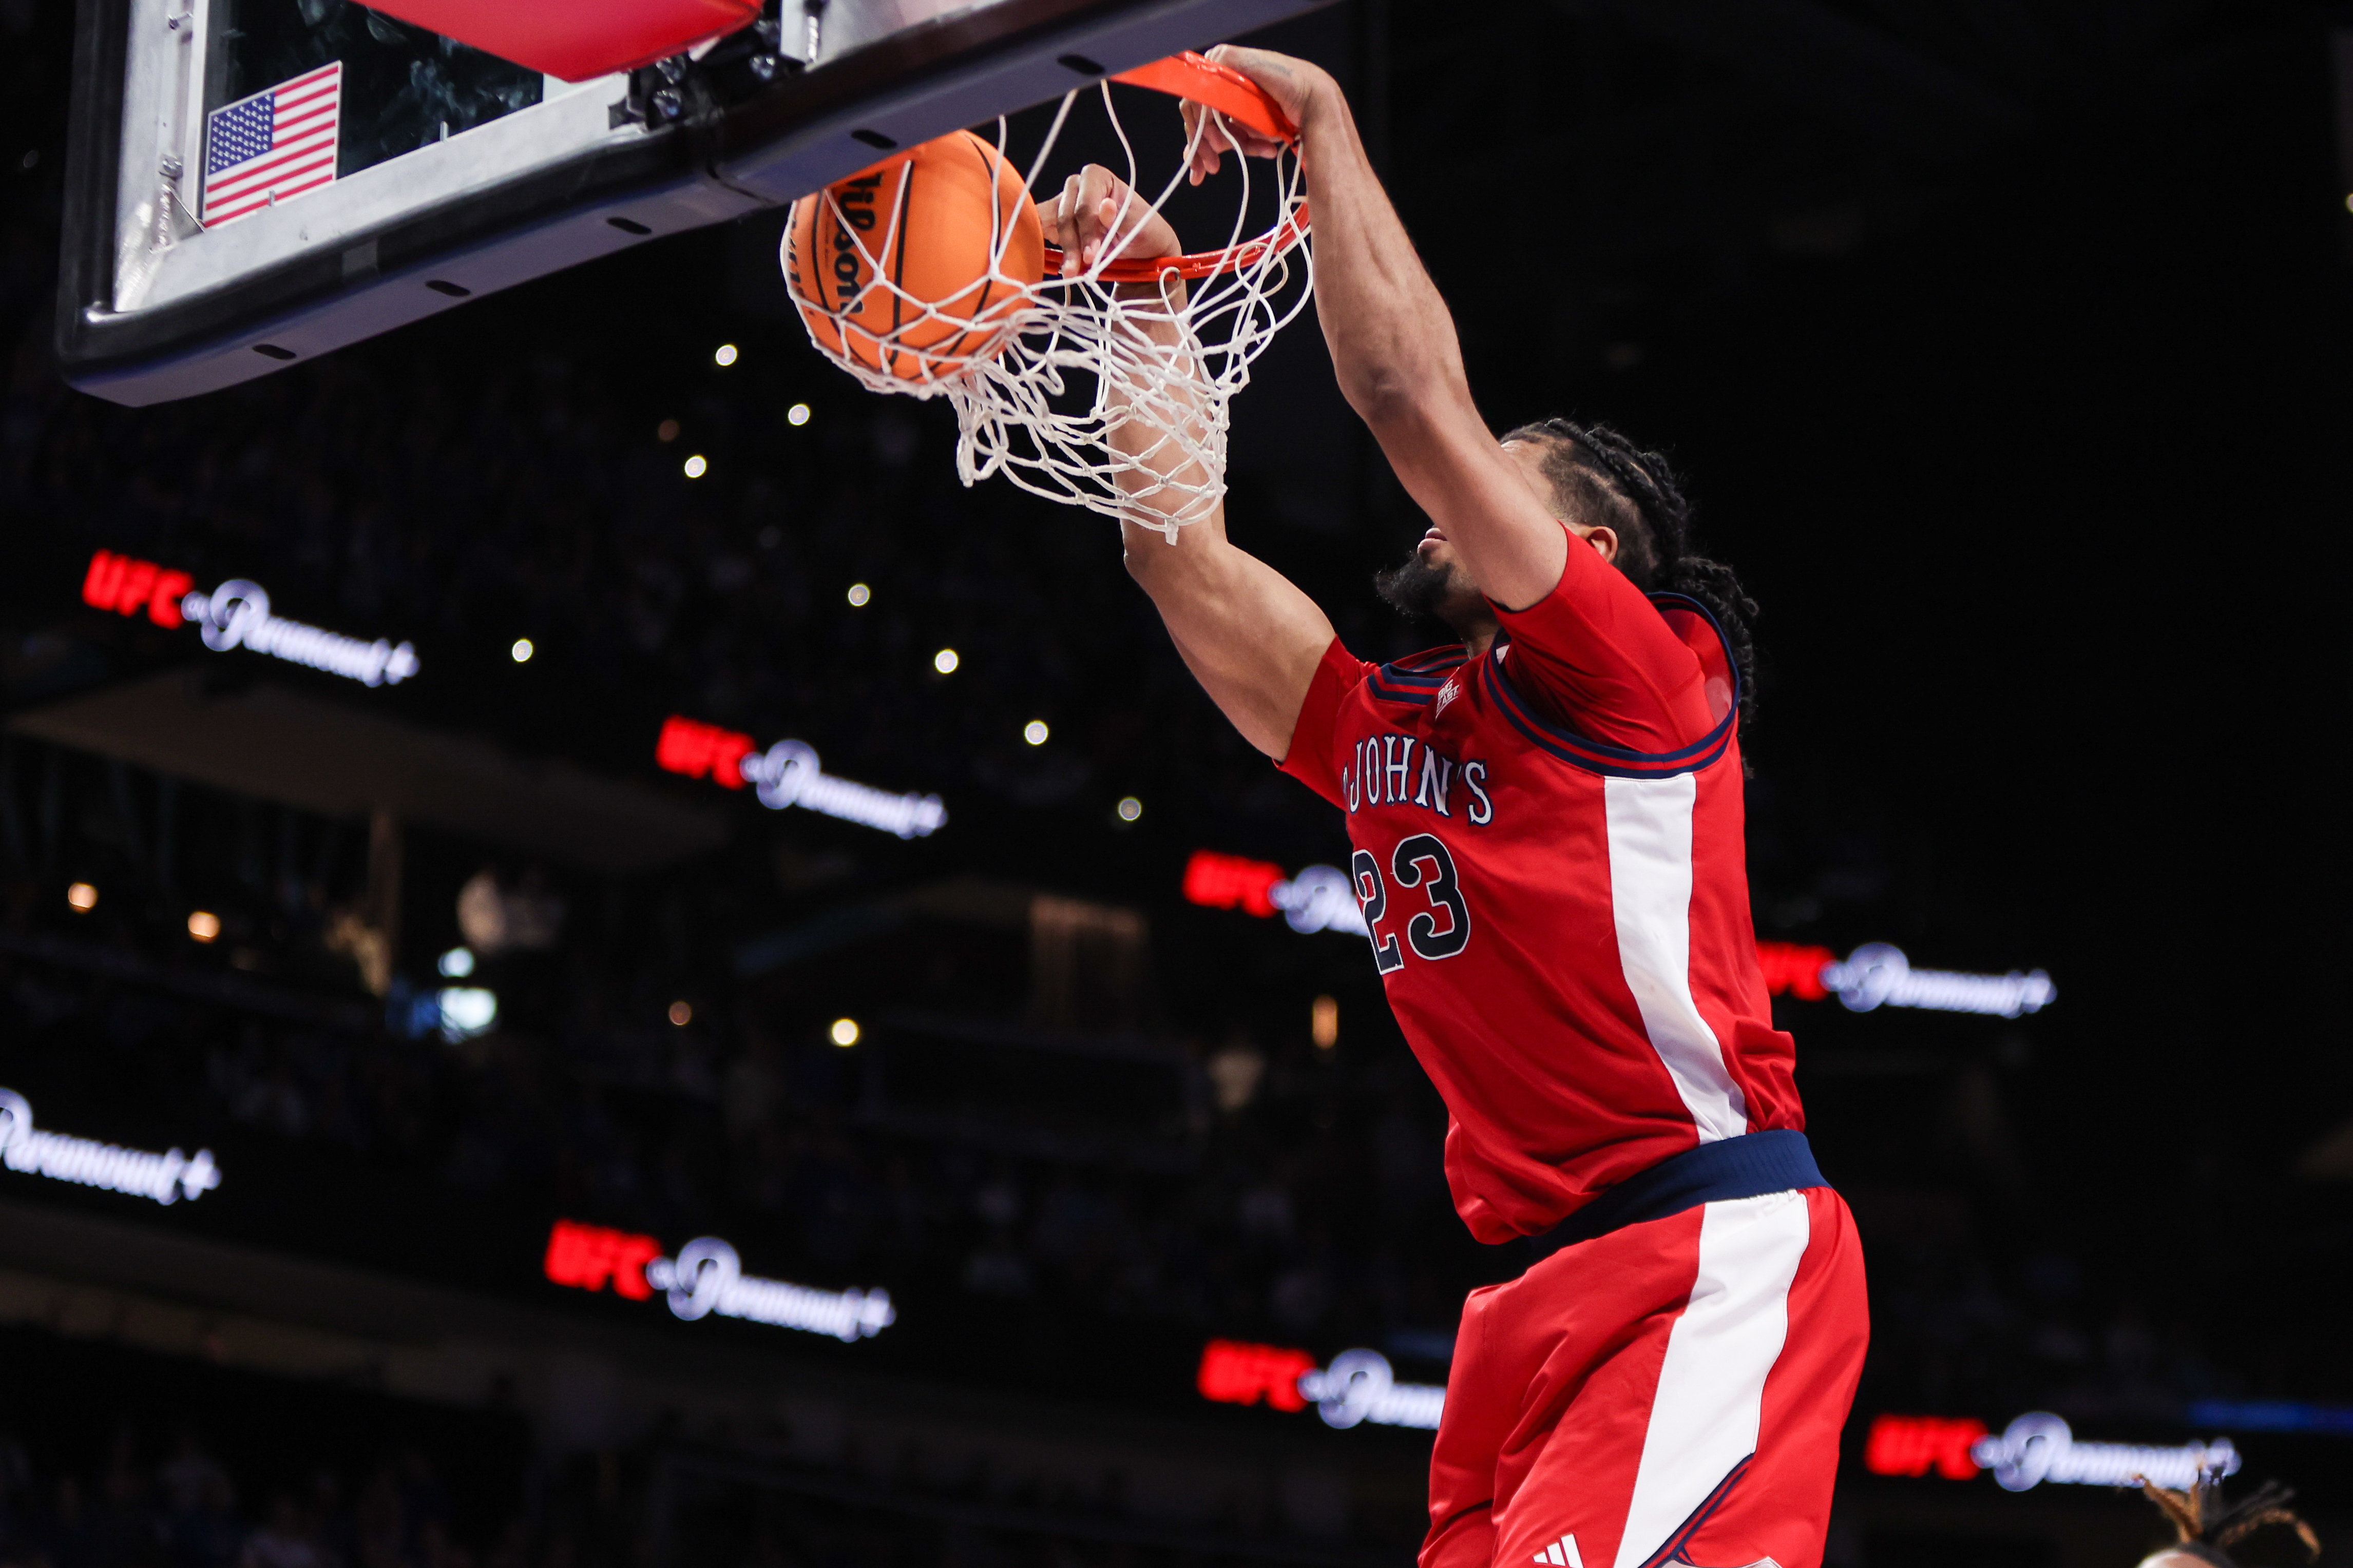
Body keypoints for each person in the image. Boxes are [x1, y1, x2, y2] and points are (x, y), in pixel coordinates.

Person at [1039, 44, 1869, 1568]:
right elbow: (1180, 558)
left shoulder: (1647, 677)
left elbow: (1406, 393)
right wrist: (1143, 305)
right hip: (1526, 1291)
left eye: (1506, 477)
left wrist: (1325, 126)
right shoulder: (1380, 719)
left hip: (1703, 1249)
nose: (1449, 496)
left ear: (1594, 555)